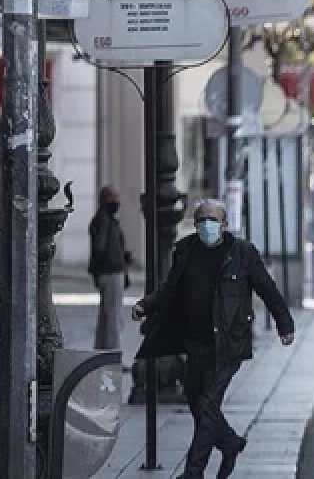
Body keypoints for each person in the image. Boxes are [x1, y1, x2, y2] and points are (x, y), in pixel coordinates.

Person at [132, 199, 295, 479]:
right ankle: (230, 443)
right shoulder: (185, 251)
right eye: (202, 219)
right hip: (195, 344)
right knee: (198, 405)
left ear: (225, 224)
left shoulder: (242, 253)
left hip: (229, 344)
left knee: (208, 404)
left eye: (213, 219)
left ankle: (193, 473)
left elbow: (267, 289)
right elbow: (170, 288)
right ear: (195, 224)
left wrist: (284, 324)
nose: (208, 224)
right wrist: (146, 305)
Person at [88, 186, 130, 350]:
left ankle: (102, 352)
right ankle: (112, 356)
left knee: (106, 316)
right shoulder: (105, 221)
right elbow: (101, 248)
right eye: (114, 197)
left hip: (110, 271)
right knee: (113, 317)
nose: (117, 202)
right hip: (111, 272)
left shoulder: (105, 220)